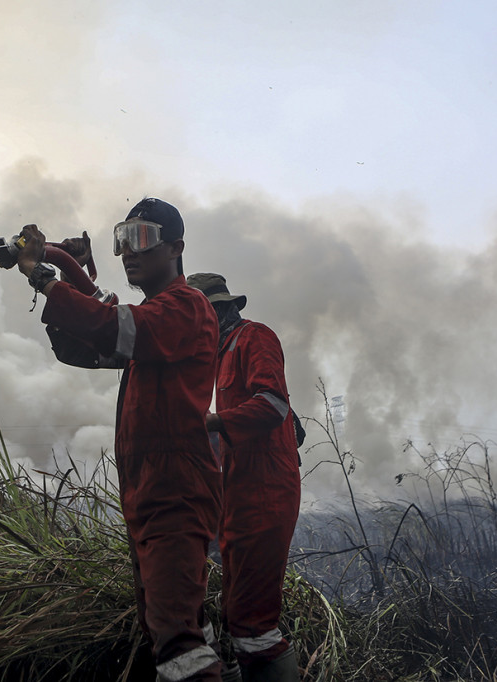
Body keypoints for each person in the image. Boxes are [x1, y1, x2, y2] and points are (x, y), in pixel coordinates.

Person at [14, 198, 224, 681]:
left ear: (176, 248)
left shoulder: (186, 307)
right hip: (150, 493)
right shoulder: (153, 321)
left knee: (179, 645)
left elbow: (110, 325)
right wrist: (61, 264)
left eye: (142, 239)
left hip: (174, 493)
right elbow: (83, 340)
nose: (129, 252)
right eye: (121, 241)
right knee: (172, 632)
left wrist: (43, 276)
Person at [185, 273, 301, 682]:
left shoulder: (255, 338)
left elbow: (272, 405)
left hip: (266, 493)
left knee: (253, 623)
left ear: (216, 312)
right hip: (236, 497)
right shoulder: (216, 357)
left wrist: (210, 422)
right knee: (236, 613)